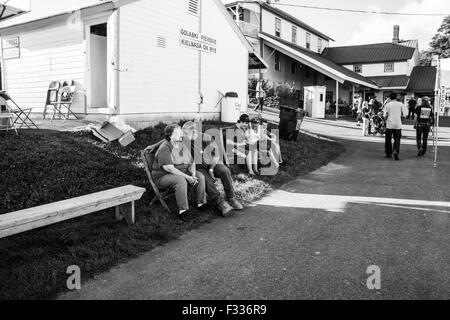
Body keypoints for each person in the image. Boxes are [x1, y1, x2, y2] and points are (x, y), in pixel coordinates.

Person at [181, 121, 243, 216]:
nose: (183, 135)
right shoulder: (185, 139)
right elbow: (167, 140)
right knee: (206, 179)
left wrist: (211, 169)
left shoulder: (205, 138)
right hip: (198, 168)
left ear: (193, 131)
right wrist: (154, 145)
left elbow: (217, 155)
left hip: (211, 164)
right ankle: (221, 203)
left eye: (185, 133)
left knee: (224, 170)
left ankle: (231, 198)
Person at [151, 124, 206, 219]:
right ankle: (183, 211)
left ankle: (201, 203)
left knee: (200, 176)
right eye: (177, 133)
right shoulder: (165, 148)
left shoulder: (181, 144)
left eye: (180, 132)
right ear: (170, 136)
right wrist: (188, 178)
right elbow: (169, 168)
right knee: (181, 180)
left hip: (181, 171)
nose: (181, 134)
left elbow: (192, 162)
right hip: (163, 176)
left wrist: (192, 174)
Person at [383, 93, 408, 161]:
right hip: (398, 124)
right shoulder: (401, 104)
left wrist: (386, 118)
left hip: (389, 124)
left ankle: (389, 153)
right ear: (396, 97)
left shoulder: (387, 105)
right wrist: (401, 116)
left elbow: (384, 115)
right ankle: (395, 151)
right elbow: (406, 114)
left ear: (390, 98)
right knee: (397, 139)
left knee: (388, 139)